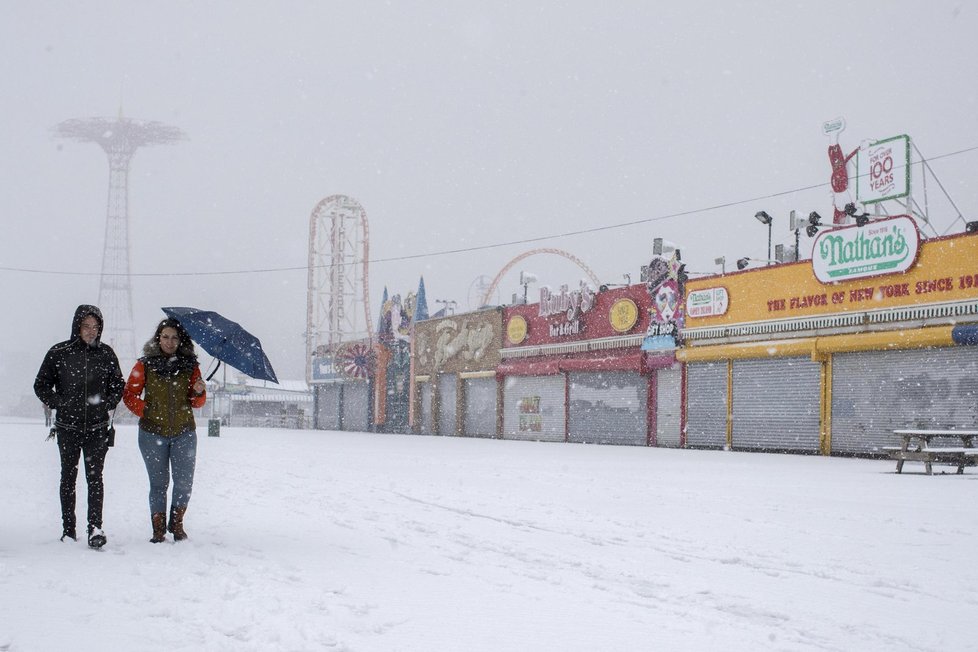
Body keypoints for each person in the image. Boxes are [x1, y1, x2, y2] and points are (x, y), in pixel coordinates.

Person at [34, 305, 125, 549]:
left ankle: (95, 527)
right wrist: (58, 403)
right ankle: (68, 530)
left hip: (97, 428)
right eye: (86, 326)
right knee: (68, 478)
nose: (91, 332)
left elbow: (118, 384)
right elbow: (40, 384)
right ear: (77, 326)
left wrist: (107, 402)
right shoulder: (60, 352)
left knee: (95, 479)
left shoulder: (106, 354)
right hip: (67, 427)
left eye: (96, 327)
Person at [123, 319, 206, 543]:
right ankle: (158, 529)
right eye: (166, 336)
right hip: (152, 433)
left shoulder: (191, 366)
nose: (170, 342)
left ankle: (177, 524)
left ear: (181, 341)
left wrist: (198, 392)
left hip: (184, 432)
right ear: (158, 338)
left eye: (175, 337)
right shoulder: (145, 364)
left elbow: (197, 403)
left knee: (184, 482)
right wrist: (146, 410)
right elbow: (129, 395)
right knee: (158, 484)